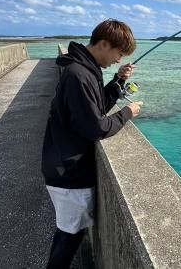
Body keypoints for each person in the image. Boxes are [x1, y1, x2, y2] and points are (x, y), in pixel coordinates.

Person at [41, 19, 143, 268]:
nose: (118, 60)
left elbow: (94, 111)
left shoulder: (84, 69)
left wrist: (118, 81)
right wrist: (127, 112)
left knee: (67, 233)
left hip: (63, 165)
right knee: (68, 239)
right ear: (104, 44)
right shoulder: (79, 75)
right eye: (118, 53)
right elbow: (96, 127)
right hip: (68, 170)